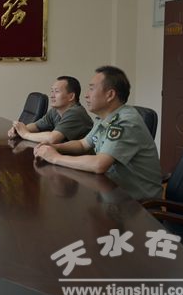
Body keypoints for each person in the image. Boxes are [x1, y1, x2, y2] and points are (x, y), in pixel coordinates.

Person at [33, 66, 162, 201]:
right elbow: (83, 144)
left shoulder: (125, 122)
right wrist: (55, 147)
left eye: (92, 89)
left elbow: (99, 164)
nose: (86, 95)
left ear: (110, 95)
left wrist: (55, 158)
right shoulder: (105, 118)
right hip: (111, 191)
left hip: (137, 205)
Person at [7, 76, 93, 143]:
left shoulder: (75, 113)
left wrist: (25, 134)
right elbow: (36, 126)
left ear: (71, 96)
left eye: (56, 91)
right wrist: (18, 130)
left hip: (82, 158)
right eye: (52, 91)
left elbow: (53, 138)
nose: (52, 95)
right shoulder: (55, 111)